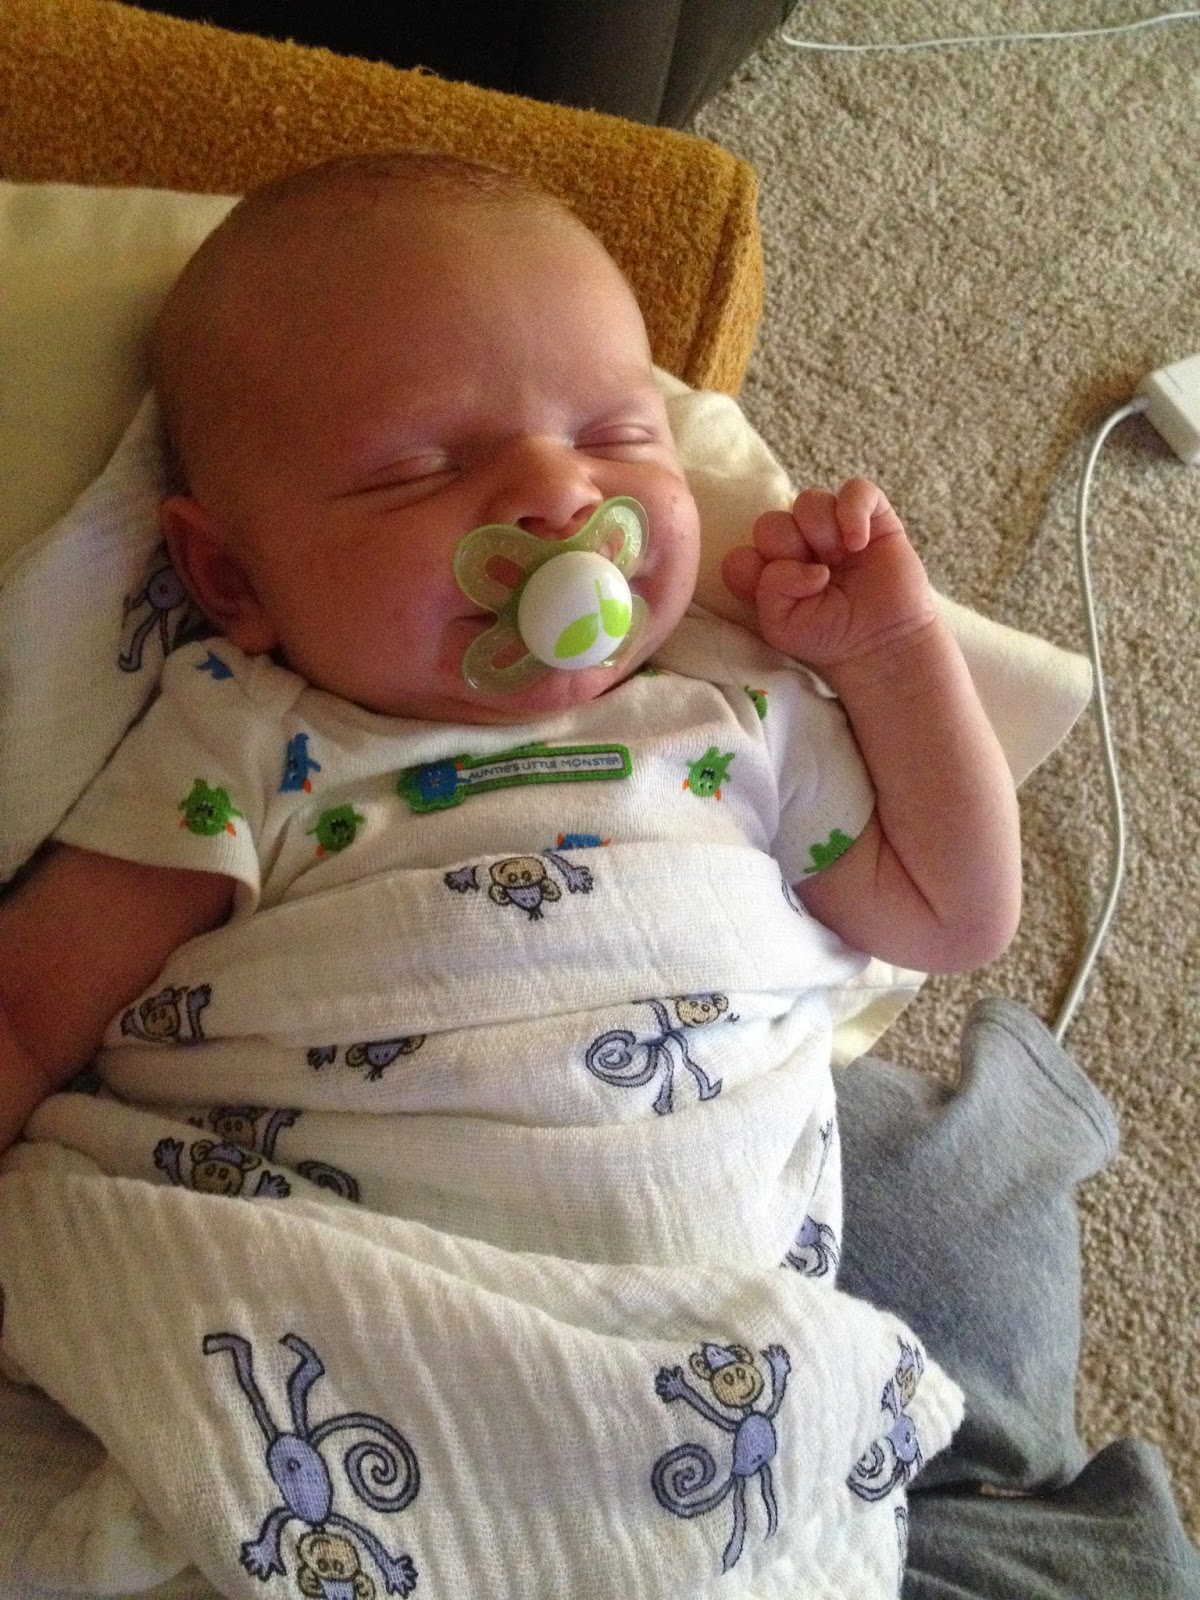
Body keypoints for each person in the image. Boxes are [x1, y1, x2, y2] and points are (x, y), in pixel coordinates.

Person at [5, 152, 1192, 1600]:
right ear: (234, 580)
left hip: (715, 1361)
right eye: (423, 469)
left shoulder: (732, 711)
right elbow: (30, 1010)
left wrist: (892, 655)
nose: (561, 499)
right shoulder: (242, 743)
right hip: (348, 1306)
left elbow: (954, 911)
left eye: (620, 435)